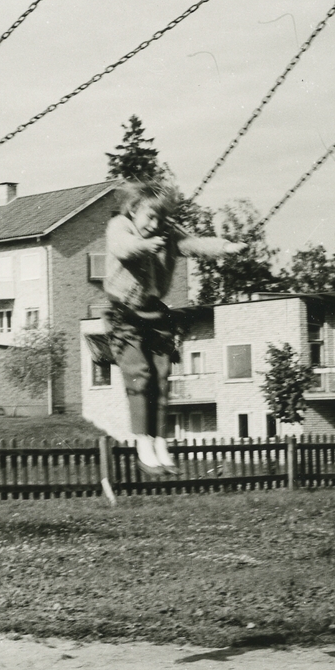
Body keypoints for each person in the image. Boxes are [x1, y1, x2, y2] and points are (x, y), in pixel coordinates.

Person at [103, 180, 245, 476]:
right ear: (134, 209)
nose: (155, 225)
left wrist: (225, 247)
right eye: (150, 217)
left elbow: (192, 244)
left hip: (155, 314)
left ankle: (160, 441)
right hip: (124, 314)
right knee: (140, 374)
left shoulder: (165, 232)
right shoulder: (120, 225)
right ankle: (142, 442)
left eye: (160, 219)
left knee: (162, 378)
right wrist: (144, 246)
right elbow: (122, 248)